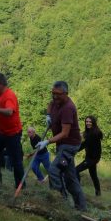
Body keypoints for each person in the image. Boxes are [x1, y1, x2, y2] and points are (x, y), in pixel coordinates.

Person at [41, 81, 86, 211]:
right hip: (63, 145)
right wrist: (48, 115)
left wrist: (47, 141)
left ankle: (61, 203)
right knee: (70, 177)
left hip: (69, 146)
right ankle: (81, 207)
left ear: (66, 93)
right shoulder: (56, 101)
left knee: (54, 171)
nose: (54, 96)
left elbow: (65, 133)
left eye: (58, 94)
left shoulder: (68, 108)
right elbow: (50, 104)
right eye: (53, 93)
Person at [0, 72, 24, 188]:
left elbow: (9, 111)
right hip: (2, 132)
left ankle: (20, 186)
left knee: (16, 161)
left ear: (0, 84)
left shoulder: (9, 96)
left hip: (13, 134)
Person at [76, 115, 104, 197]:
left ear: (93, 123)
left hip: (92, 158)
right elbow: (84, 140)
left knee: (75, 171)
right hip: (90, 157)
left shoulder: (95, 133)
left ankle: (78, 190)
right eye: (86, 122)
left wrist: (74, 150)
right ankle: (98, 194)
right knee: (93, 175)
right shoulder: (88, 132)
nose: (88, 123)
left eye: (90, 122)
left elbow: (85, 144)